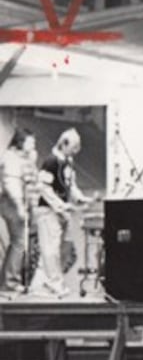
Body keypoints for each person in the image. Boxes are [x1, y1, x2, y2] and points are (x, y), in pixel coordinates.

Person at [30, 127, 87, 297]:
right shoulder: (50, 162)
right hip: (47, 211)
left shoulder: (67, 162)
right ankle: (52, 283)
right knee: (50, 249)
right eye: (73, 147)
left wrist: (79, 198)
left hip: (59, 212)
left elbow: (70, 184)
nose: (75, 152)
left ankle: (47, 282)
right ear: (64, 144)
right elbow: (43, 189)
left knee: (57, 248)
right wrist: (60, 206)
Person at [0, 128, 36, 293]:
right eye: (30, 141)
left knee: (17, 241)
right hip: (11, 203)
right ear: (21, 142)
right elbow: (12, 185)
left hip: (11, 202)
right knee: (19, 242)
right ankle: (11, 282)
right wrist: (20, 207)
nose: (33, 144)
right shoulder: (12, 159)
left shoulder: (17, 158)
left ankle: (8, 280)